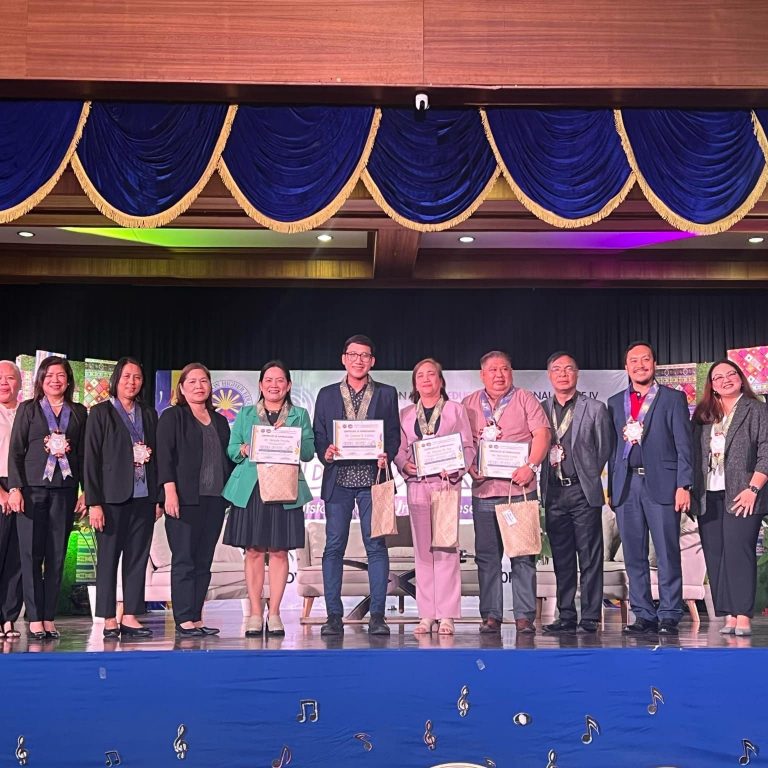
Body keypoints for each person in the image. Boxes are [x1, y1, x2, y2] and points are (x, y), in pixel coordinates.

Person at [313, 334, 401, 637]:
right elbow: (319, 433)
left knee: (376, 547)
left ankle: (377, 615)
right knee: (333, 546)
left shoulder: (387, 393)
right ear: (344, 359)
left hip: (373, 480)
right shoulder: (326, 394)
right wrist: (325, 452)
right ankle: (333, 616)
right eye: (353, 355)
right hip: (338, 480)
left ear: (372, 361)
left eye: (364, 355)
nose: (358, 360)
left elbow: (393, 434)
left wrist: (387, 454)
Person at [607, 341, 693, 636]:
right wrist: (612, 488)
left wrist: (684, 484)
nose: (640, 365)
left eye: (645, 359)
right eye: (634, 360)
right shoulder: (615, 402)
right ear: (626, 367)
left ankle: (669, 613)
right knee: (633, 555)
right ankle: (643, 614)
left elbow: (684, 445)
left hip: (664, 485)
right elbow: (613, 450)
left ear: (654, 364)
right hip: (626, 486)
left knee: (667, 552)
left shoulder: (672, 398)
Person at [223, 360, 315, 637]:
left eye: (280, 380)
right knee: (253, 551)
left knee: (279, 551)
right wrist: (245, 448)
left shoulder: (299, 415)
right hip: (252, 489)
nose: (274, 385)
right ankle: (254, 612)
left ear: (288, 385)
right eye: (268, 380)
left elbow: (308, 452)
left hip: (286, 489)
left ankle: (274, 613)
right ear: (261, 385)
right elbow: (231, 451)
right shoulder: (246, 413)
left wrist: (291, 440)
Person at [462, 351, 550, 634]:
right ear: (482, 375)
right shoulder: (469, 403)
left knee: (523, 556)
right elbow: (462, 442)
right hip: (484, 491)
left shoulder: (525, 398)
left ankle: (524, 616)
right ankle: (491, 615)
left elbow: (542, 434)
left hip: (519, 491)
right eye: (492, 370)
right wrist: (469, 467)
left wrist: (531, 466)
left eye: (504, 369)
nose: (499, 375)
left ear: (511, 372)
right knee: (487, 557)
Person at [8, 356, 87, 640]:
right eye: (50, 375)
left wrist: (86, 492)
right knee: (30, 555)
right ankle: (34, 618)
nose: (55, 380)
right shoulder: (28, 409)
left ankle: (49, 617)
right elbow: (15, 451)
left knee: (56, 555)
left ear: (68, 380)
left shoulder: (79, 412)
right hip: (31, 491)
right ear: (41, 379)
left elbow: (84, 456)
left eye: (61, 375)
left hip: (65, 491)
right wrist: (15, 488)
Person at [394, 358, 475, 635]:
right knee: (422, 551)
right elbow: (399, 449)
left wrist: (456, 469)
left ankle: (447, 614)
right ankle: (427, 614)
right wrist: (404, 465)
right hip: (417, 486)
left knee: (446, 549)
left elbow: (467, 446)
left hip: (446, 485)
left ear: (441, 381)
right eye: (421, 376)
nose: (426, 379)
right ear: (415, 384)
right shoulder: (406, 414)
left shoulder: (455, 410)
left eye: (431, 375)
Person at [84, 357, 160, 640]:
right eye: (127, 376)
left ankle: (130, 615)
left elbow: (157, 457)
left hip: (143, 497)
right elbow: (90, 460)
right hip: (110, 500)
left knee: (137, 558)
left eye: (137, 377)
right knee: (108, 559)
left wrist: (157, 499)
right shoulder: (100, 413)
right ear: (116, 380)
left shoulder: (149, 414)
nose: (132, 382)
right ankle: (108, 618)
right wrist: (94, 502)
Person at [692, 359, 768, 637]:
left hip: (743, 493)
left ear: (740, 378)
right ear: (711, 385)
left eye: (730, 374)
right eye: (718, 377)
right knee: (716, 555)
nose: (725, 380)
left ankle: (743, 615)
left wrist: (753, 489)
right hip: (708, 494)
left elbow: (766, 451)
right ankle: (729, 615)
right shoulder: (703, 415)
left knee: (739, 552)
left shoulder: (756, 409)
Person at [157, 363, 233, 637]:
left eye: (204, 381)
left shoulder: (220, 421)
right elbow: (164, 456)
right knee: (184, 560)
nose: (199, 386)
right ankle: (183, 619)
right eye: (192, 382)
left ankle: (196, 616)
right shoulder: (173, 416)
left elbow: (227, 459)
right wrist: (169, 492)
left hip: (215, 501)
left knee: (203, 562)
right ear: (182, 387)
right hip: (184, 500)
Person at [540, 352, 613, 634]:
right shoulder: (540, 409)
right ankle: (566, 615)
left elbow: (604, 449)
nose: (563, 374)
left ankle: (591, 616)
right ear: (549, 375)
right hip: (554, 493)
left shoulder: (595, 408)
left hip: (582, 492)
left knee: (590, 556)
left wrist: (587, 475)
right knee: (562, 557)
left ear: (577, 373)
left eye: (568, 369)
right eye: (557, 369)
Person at [0, 361, 24, 639]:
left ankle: (8, 618)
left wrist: (17, 490)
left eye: (10, 378)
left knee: (18, 558)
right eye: (0, 378)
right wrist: (2, 494)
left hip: (22, 488)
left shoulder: (27, 412)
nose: (4, 383)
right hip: (2, 486)